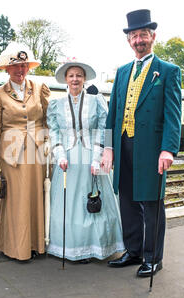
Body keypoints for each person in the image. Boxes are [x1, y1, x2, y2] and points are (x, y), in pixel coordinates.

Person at [101, 9, 182, 277]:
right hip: (124, 146)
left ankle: (153, 258)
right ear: (128, 40)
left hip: (150, 149)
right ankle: (133, 251)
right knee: (127, 202)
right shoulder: (122, 71)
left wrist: (168, 149)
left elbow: (173, 114)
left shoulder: (168, 71)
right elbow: (113, 112)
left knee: (151, 204)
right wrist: (108, 148)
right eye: (134, 35)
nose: (139, 40)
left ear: (153, 36)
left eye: (143, 35)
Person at [46, 60, 124, 263]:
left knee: (95, 200)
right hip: (69, 159)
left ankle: (96, 246)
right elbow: (54, 132)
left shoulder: (96, 101)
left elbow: (105, 129)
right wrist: (59, 154)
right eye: (71, 75)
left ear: (84, 79)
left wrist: (99, 156)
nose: (75, 79)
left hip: (92, 155)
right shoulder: (56, 104)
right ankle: (73, 247)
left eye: (79, 75)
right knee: (69, 203)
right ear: (66, 79)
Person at [0, 43, 51, 261]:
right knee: (16, 200)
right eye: (15, 67)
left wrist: (49, 142)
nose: (20, 70)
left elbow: (46, 118)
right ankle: (15, 248)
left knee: (36, 197)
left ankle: (36, 245)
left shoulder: (39, 88)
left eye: (24, 66)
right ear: (7, 69)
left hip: (37, 151)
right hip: (12, 154)